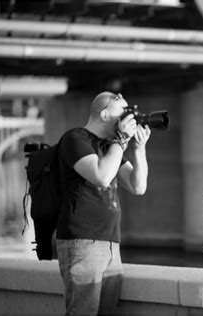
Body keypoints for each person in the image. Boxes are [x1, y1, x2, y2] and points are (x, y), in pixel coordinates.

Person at [55, 91, 151, 315]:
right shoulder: (75, 139)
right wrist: (120, 140)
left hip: (110, 244)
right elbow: (102, 176)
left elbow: (138, 186)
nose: (128, 118)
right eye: (124, 112)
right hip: (82, 243)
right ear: (105, 114)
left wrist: (139, 148)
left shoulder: (110, 147)